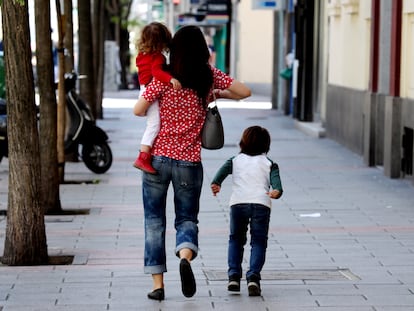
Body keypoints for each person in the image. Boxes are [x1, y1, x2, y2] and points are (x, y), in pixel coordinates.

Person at [133, 25, 251, 301]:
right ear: (201, 50)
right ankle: (184, 255)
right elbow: (244, 91)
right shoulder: (206, 76)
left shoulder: (164, 77)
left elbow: (139, 110)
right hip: (189, 162)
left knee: (154, 221)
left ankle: (158, 286)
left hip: (157, 160)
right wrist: (216, 93)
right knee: (186, 218)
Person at [210, 126, 283, 296]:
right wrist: (276, 192)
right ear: (266, 145)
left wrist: (216, 184)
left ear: (242, 142)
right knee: (258, 242)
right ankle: (253, 278)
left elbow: (219, 176)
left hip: (238, 204)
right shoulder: (269, 163)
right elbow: (277, 186)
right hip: (261, 204)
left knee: (235, 240)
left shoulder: (234, 160)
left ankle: (234, 276)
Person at [133, 22, 182, 174]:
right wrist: (170, 79)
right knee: (154, 124)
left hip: (143, 89)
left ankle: (145, 154)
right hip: (150, 91)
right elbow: (156, 72)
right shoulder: (158, 57)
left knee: (152, 122)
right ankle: (143, 157)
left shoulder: (141, 55)